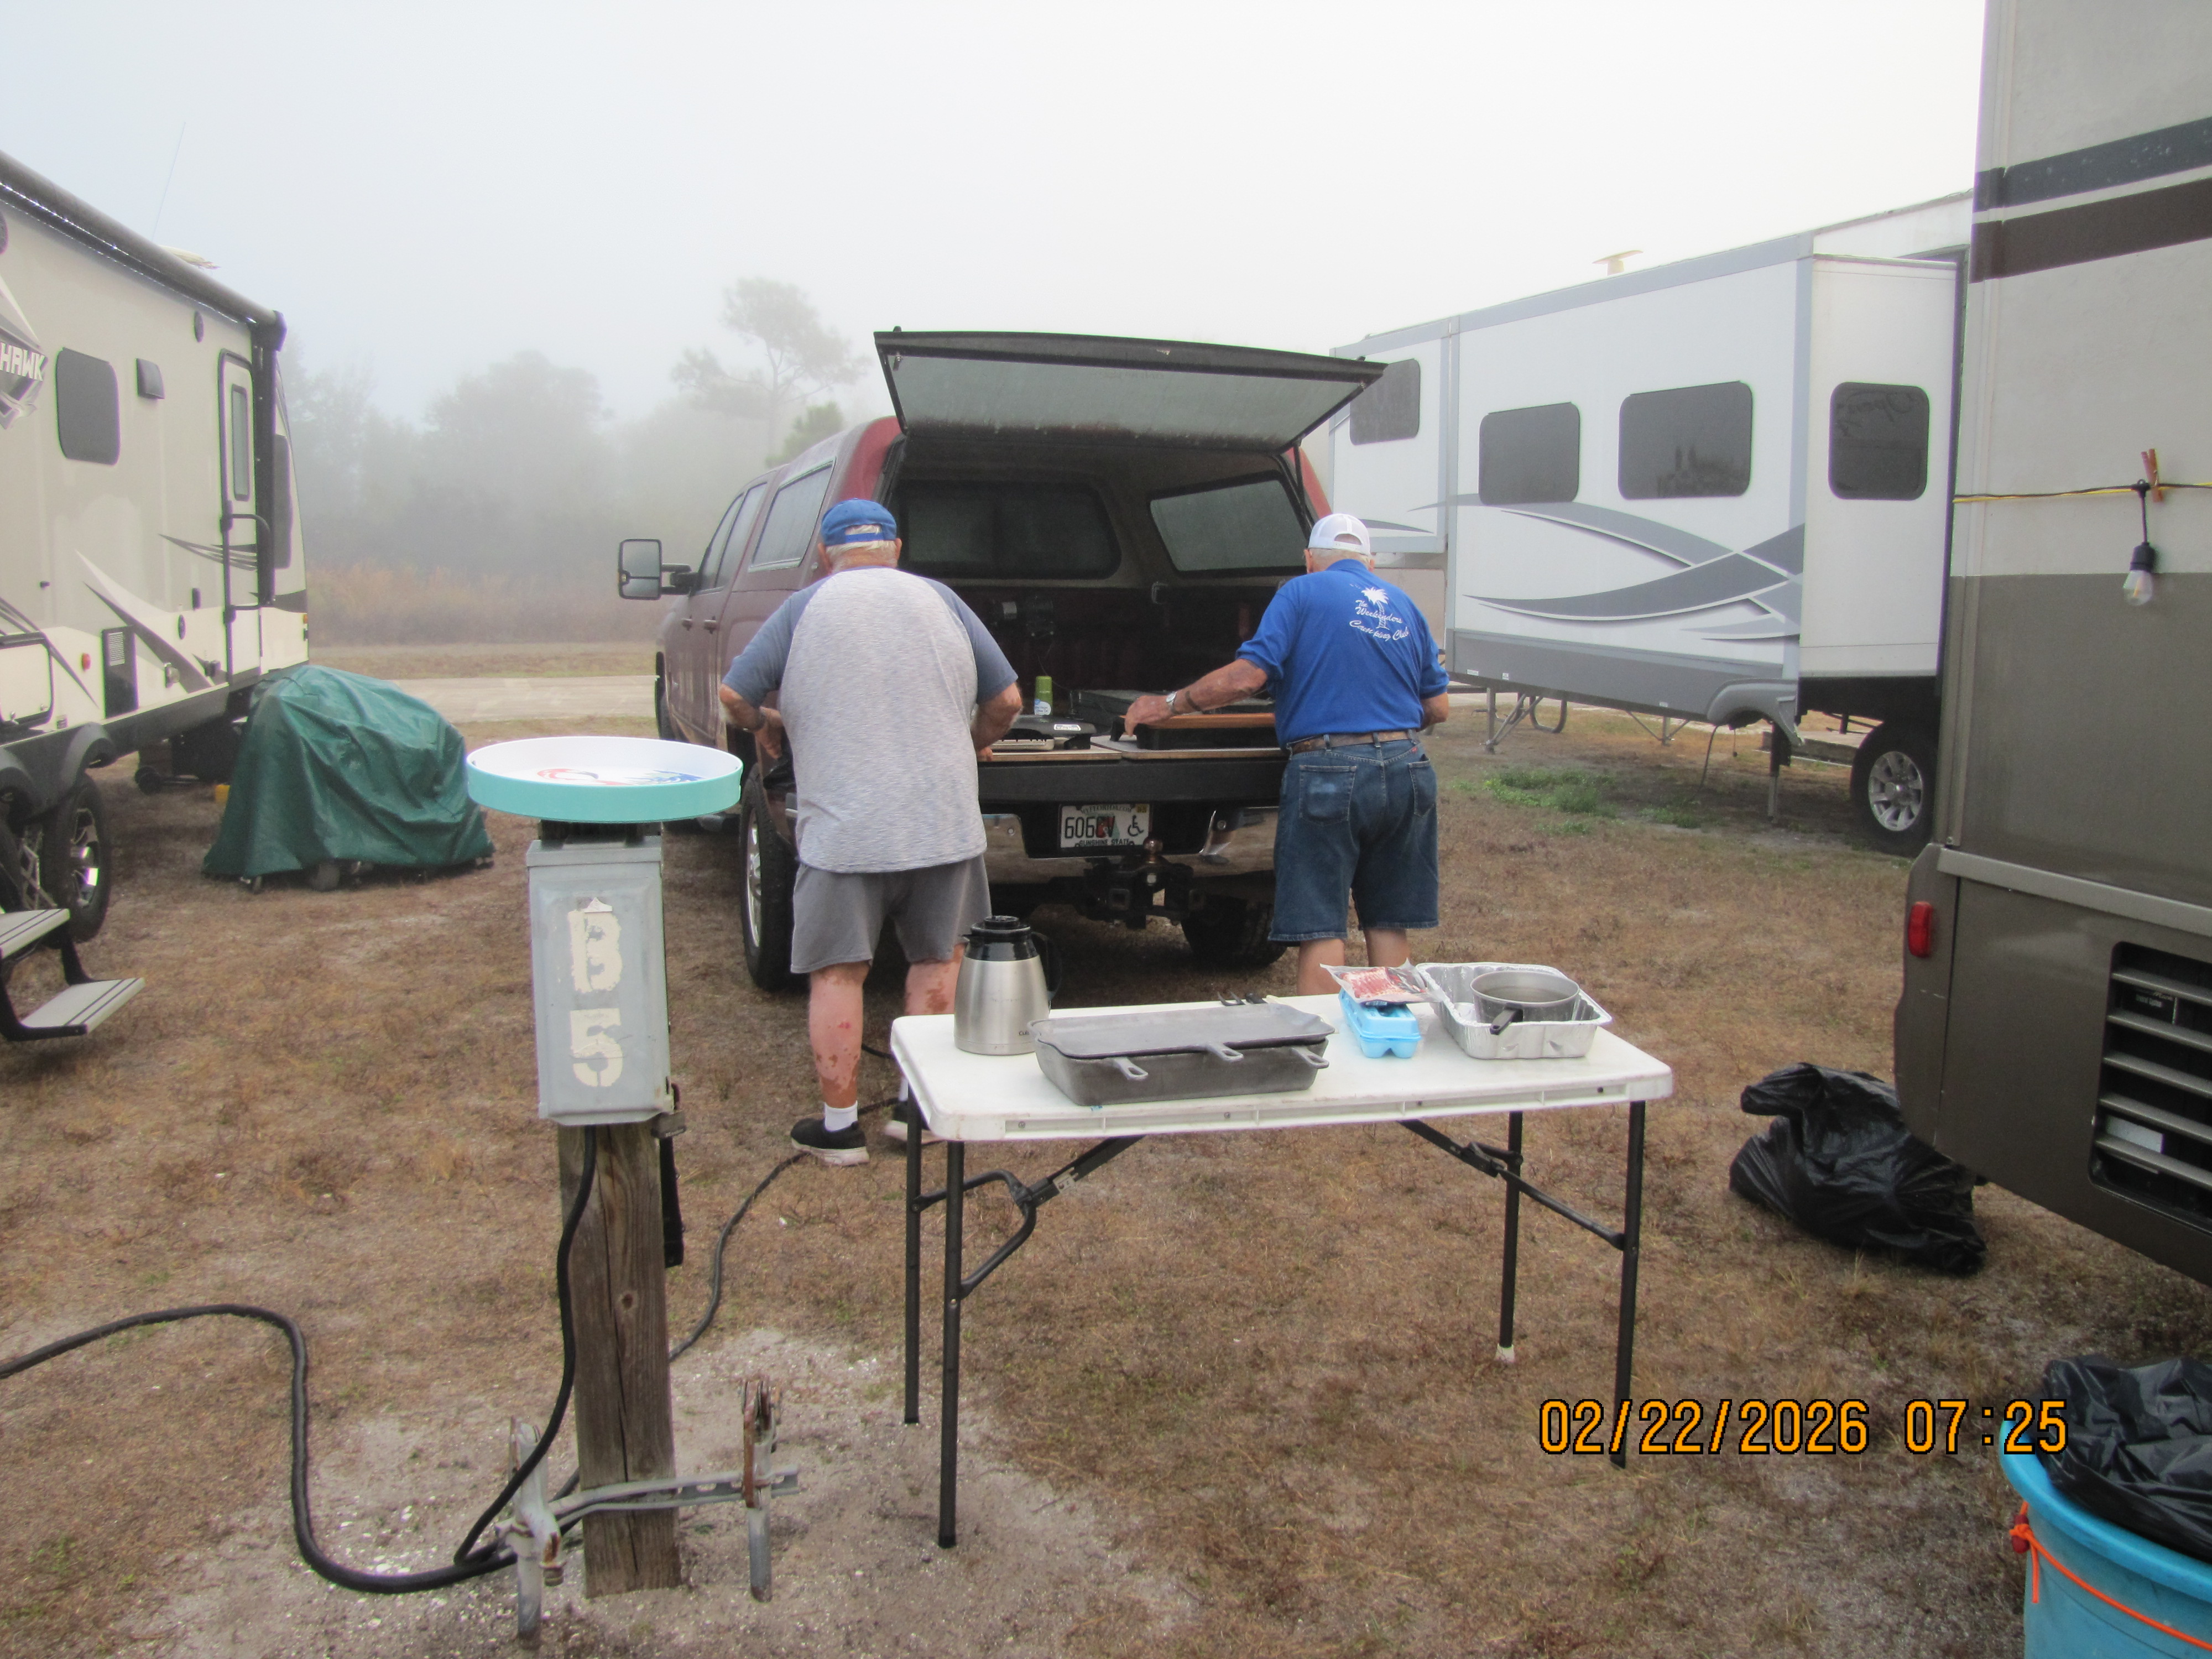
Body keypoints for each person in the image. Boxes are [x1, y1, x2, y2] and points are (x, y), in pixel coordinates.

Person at [719, 497, 1023, 1164]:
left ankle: (837, 1128)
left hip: (845, 831)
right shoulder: (941, 599)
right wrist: (970, 742)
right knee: (937, 960)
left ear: (827, 555)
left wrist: (768, 725)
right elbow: (1005, 702)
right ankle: (917, 1112)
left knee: (838, 972)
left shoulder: (805, 607)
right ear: (895, 546)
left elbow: (735, 695)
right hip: (940, 823)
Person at [1125, 513, 1448, 995]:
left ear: (1310, 559)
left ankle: (1322, 1043)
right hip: (1408, 769)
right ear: (1371, 561)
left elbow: (1245, 679)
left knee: (1321, 922)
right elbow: (1437, 707)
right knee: (1388, 920)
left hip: (1331, 771)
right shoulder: (1403, 604)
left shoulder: (1300, 592)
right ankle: (1392, 1039)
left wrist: (1169, 705)